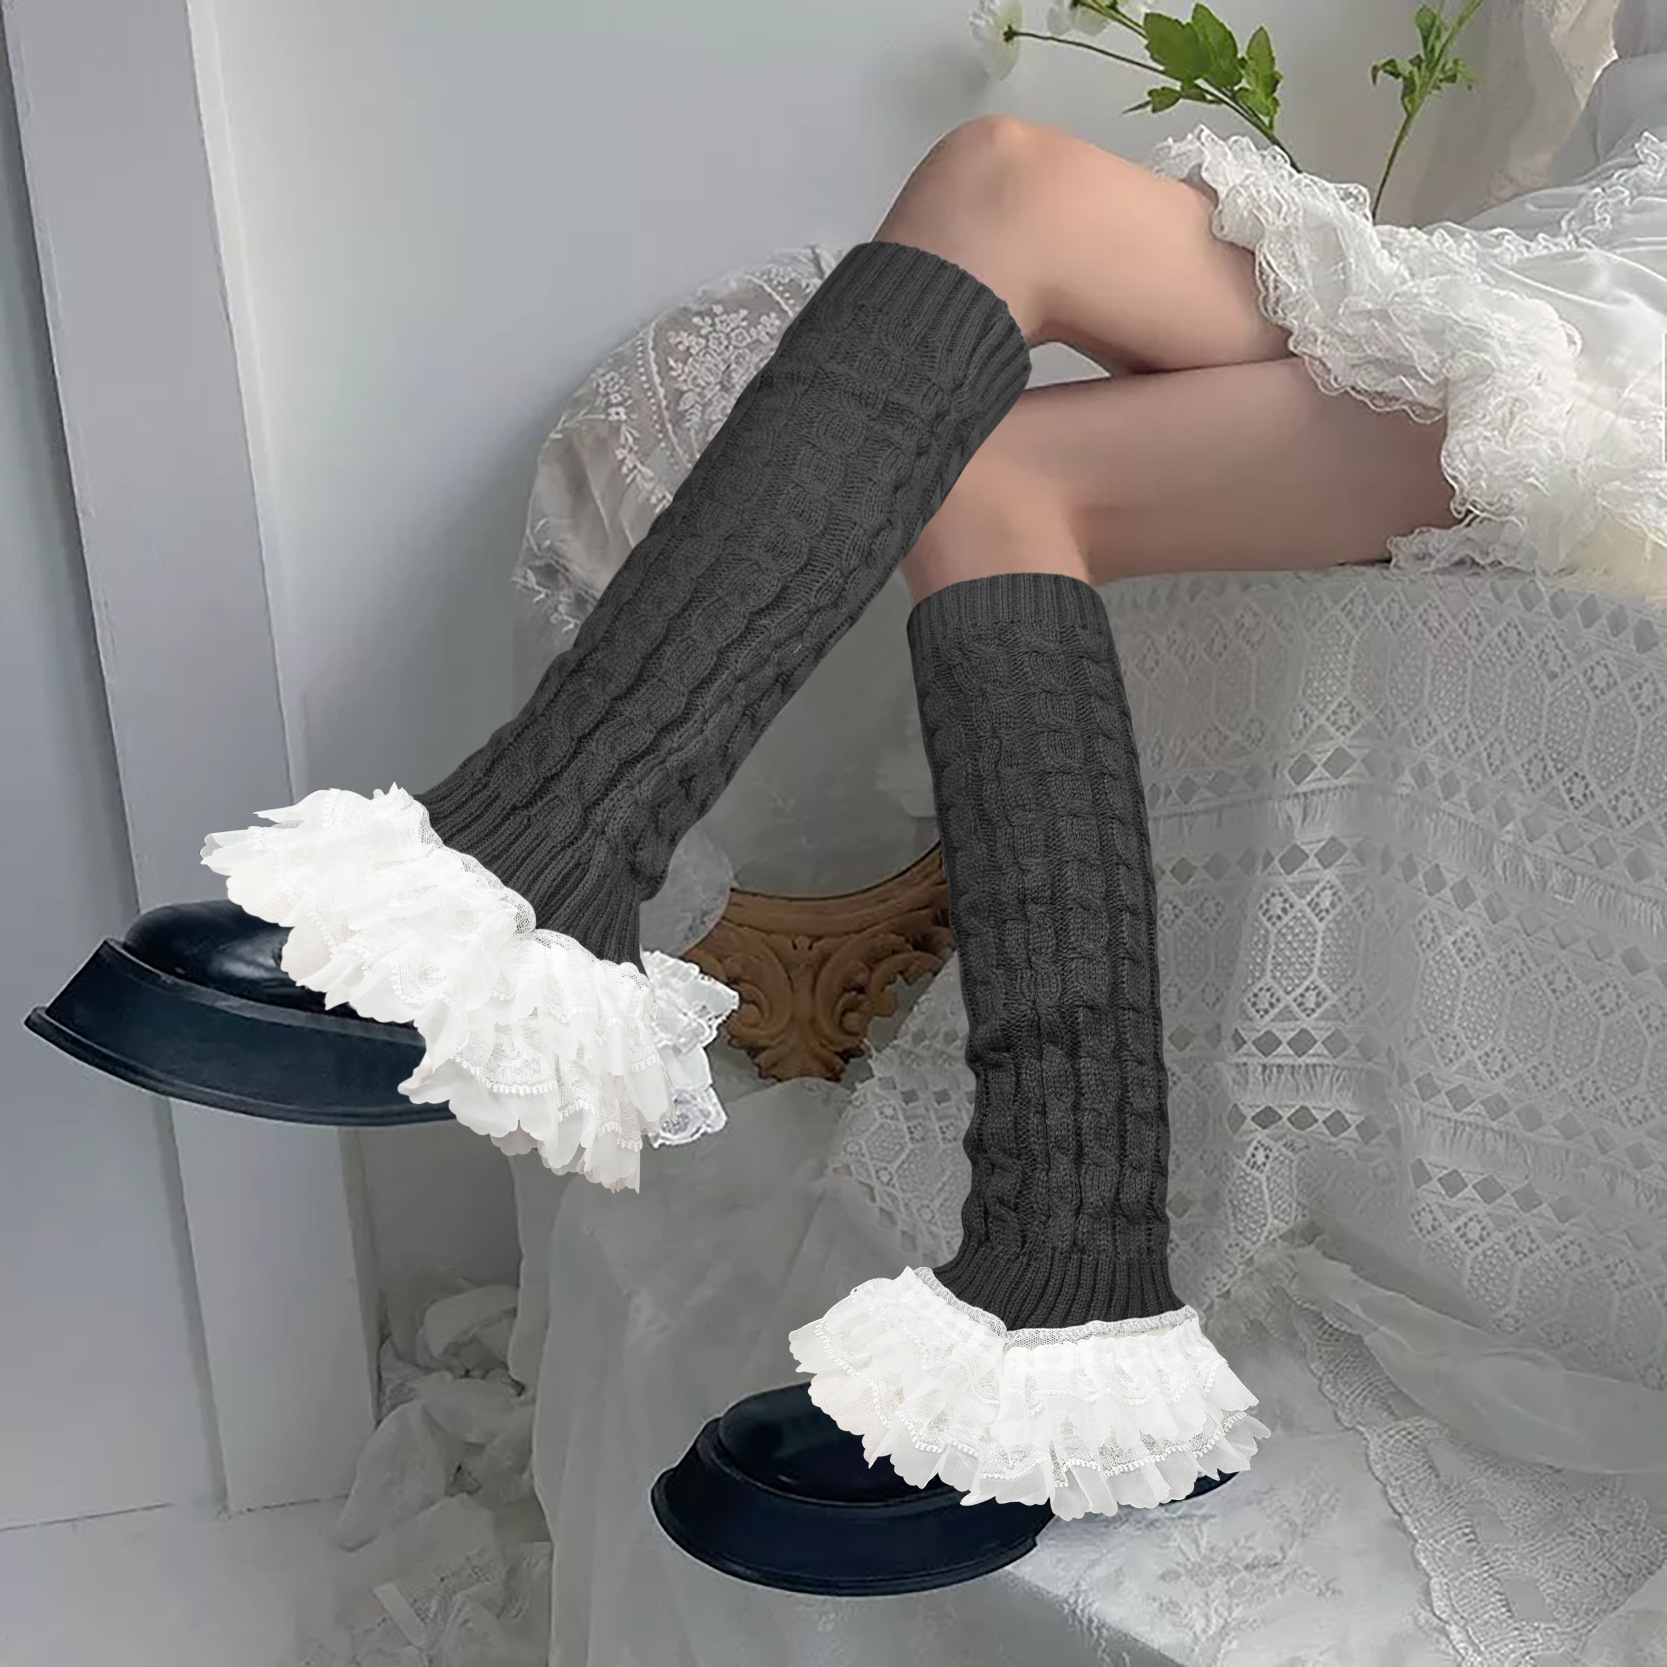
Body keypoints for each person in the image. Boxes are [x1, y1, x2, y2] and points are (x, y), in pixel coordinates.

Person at [27, 0, 1667, 1592]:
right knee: (1000, 201)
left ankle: (578, 897)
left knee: (1003, 364)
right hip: (1575, 261)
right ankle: (1027, 1231)